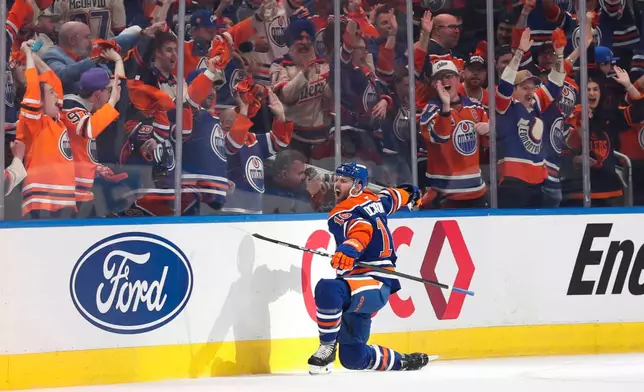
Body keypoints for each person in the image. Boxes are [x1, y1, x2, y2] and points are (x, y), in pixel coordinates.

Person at [307, 162, 429, 374]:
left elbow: (362, 229)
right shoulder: (378, 200)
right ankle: (404, 362)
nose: (337, 184)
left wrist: (350, 249)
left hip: (374, 281)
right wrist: (412, 193)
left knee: (328, 289)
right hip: (360, 288)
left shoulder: (341, 211)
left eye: (343, 181)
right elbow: (398, 194)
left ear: (357, 186)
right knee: (354, 359)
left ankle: (327, 347)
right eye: (337, 179)